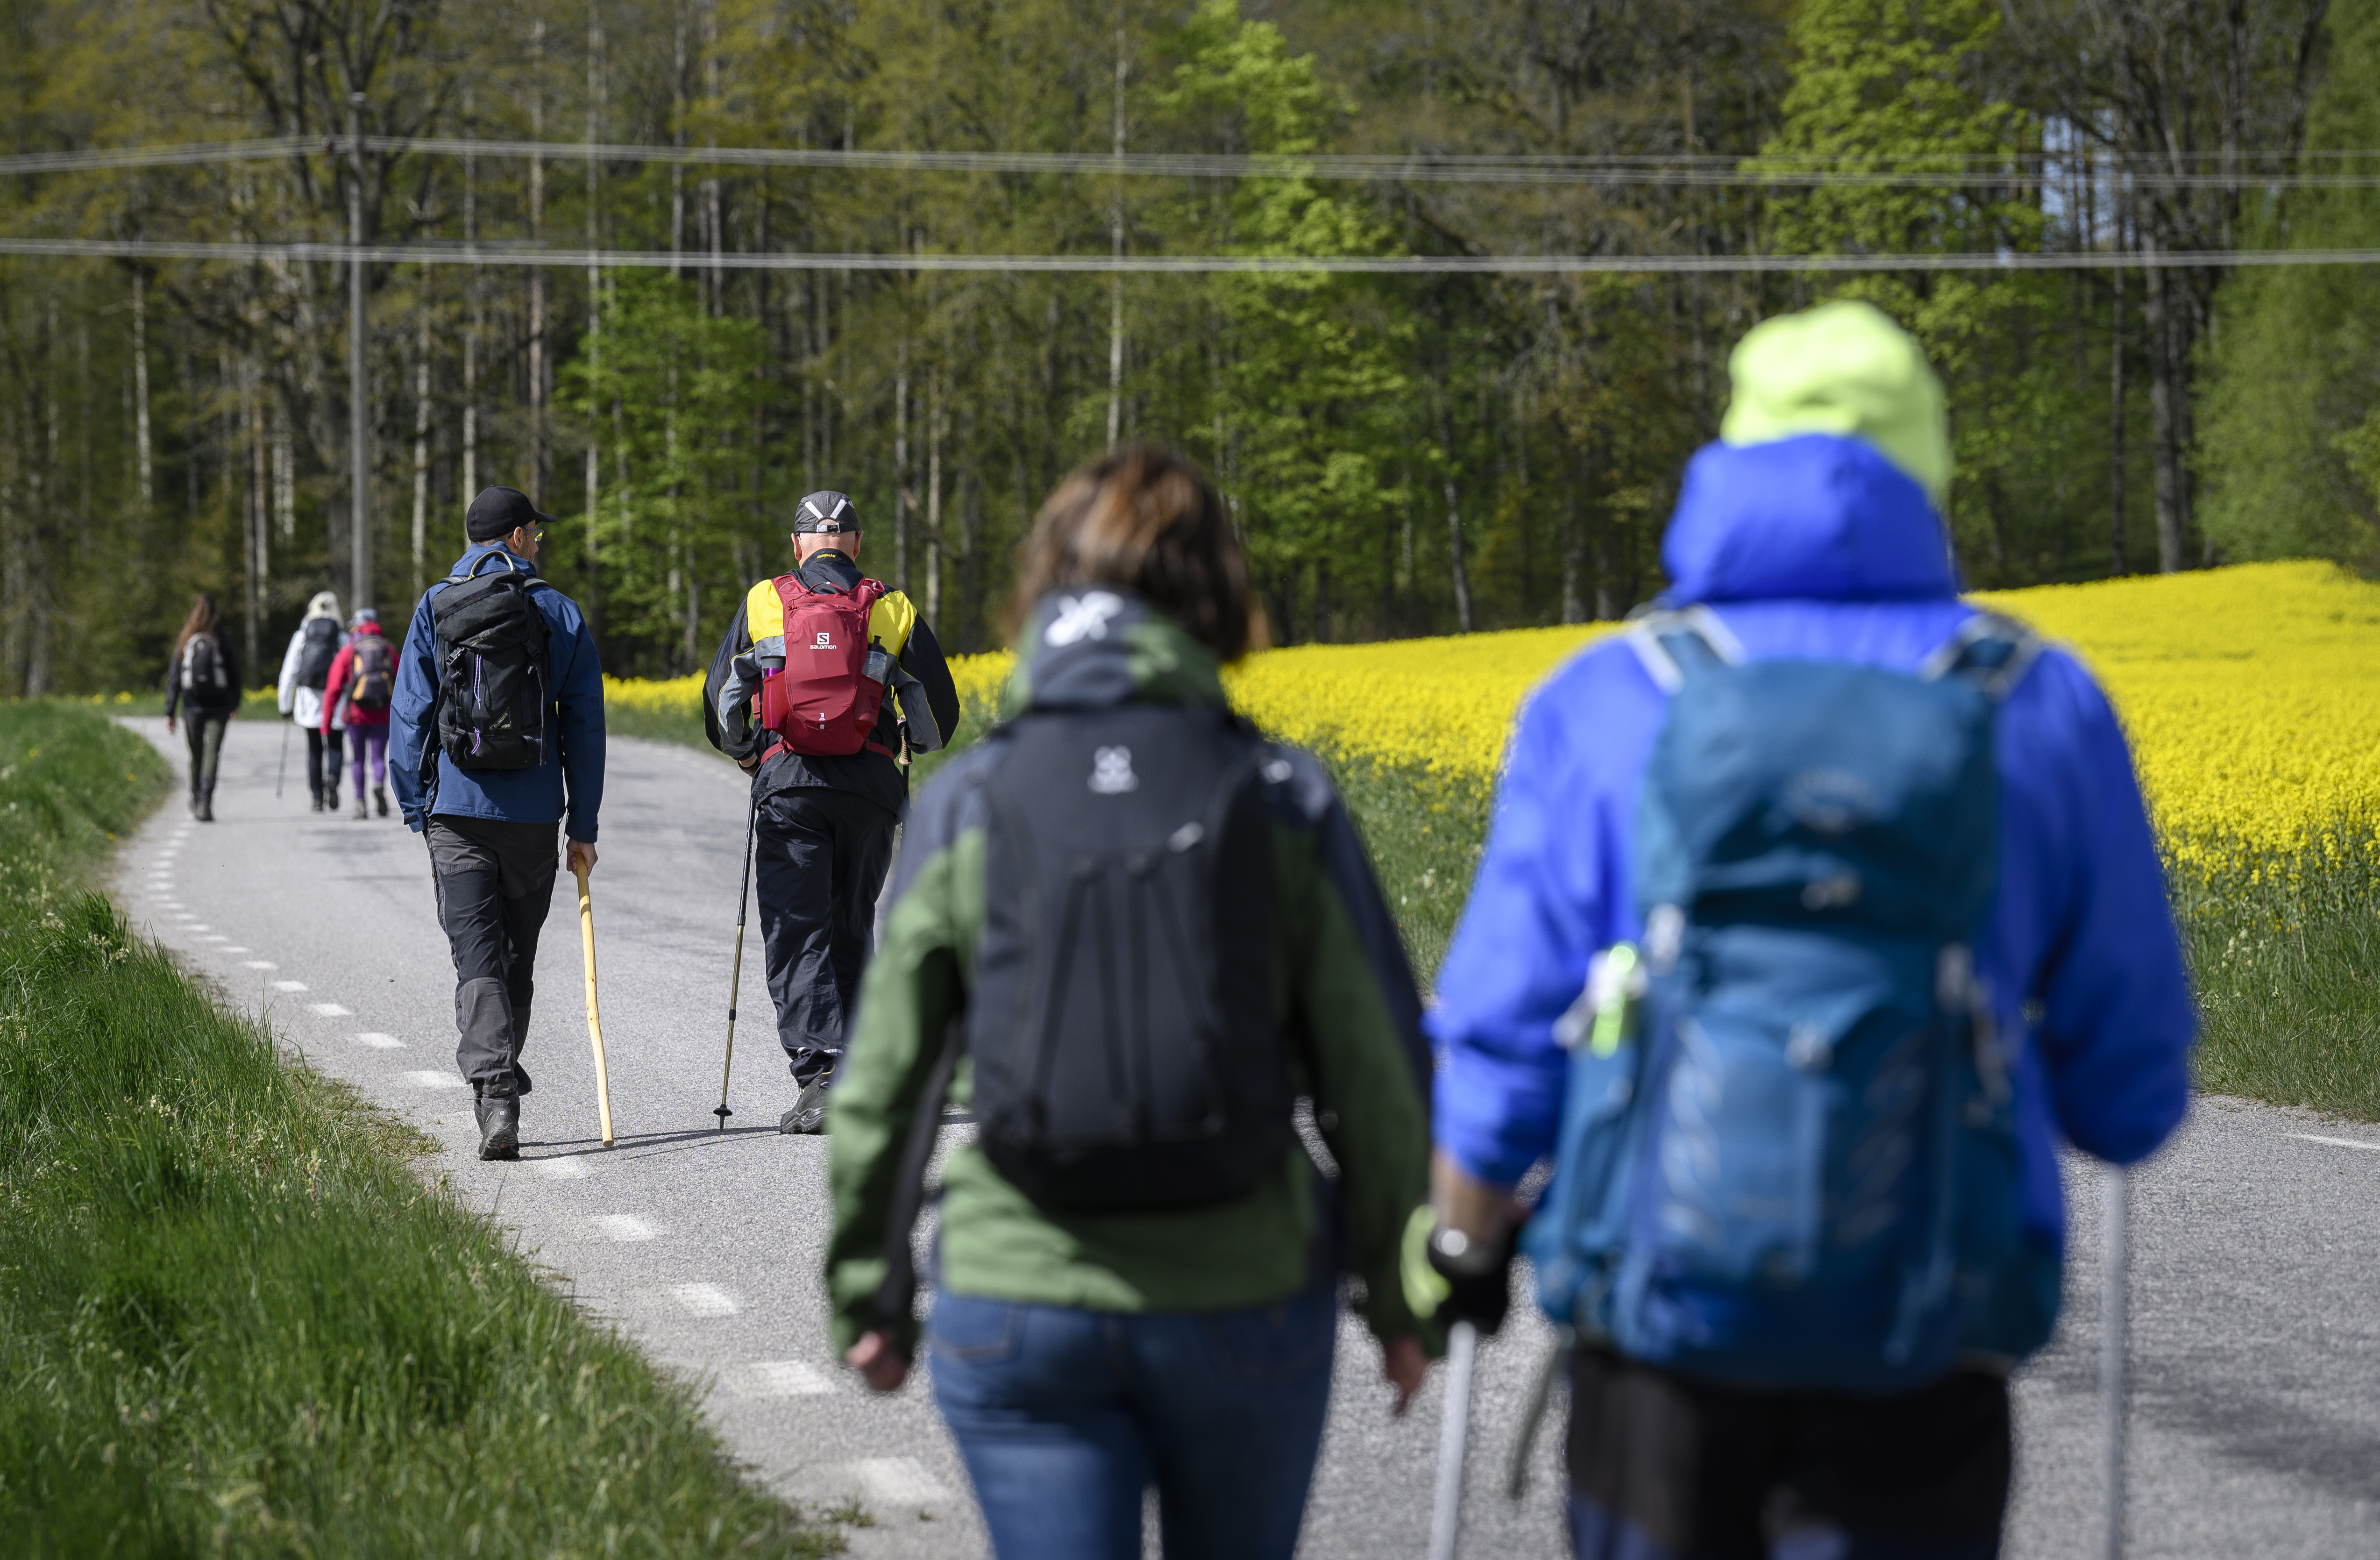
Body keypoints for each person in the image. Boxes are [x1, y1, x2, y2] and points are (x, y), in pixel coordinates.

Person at [1421, 301, 2194, 1560]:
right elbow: (2130, 1092)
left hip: (1653, 1331)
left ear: (1723, 459)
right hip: (1925, 1332)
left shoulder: (1610, 696)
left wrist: (1460, 1235)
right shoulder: (2037, 697)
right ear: (1930, 471)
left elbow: (1503, 1040)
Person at [826, 444, 1434, 1560]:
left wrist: (869, 1287)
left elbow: (884, 1076)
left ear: (1047, 587)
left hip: (1019, 1301)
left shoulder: (968, 795)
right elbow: (1378, 1065)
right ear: (1217, 595)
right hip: (1244, 1295)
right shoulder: (1280, 789)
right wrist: (1403, 1298)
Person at [702, 489, 960, 1134]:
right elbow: (939, 720)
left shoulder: (766, 599)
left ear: (797, 546)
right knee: (851, 921)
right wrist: (906, 739)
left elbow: (719, 703)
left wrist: (747, 751)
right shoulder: (891, 605)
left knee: (798, 930)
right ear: (856, 543)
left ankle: (821, 1075)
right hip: (871, 789)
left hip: (789, 783)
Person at [388, 486, 606, 1162]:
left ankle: (495, 1093)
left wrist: (416, 804)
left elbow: (410, 715)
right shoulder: (558, 612)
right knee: (516, 954)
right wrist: (583, 821)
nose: (539, 543)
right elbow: (585, 727)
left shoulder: (435, 605)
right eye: (535, 534)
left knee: (476, 955)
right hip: (534, 818)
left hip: (456, 814)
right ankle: (501, 1067)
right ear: (515, 537)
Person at [163, 592, 242, 823]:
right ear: (216, 614)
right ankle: (206, 802)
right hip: (219, 707)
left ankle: (196, 796)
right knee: (212, 753)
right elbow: (235, 674)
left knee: (196, 754)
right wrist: (234, 703)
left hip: (192, 707)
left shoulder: (186, 638)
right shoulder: (223, 639)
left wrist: (170, 711)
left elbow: (174, 677)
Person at [322, 608, 397, 819]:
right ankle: (379, 784)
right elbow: (403, 682)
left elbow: (334, 689)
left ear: (358, 626)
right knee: (378, 758)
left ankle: (360, 804)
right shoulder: (388, 649)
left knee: (358, 759)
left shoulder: (349, 650)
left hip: (356, 715)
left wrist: (326, 724)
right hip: (383, 714)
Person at [277, 591, 348, 813]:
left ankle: (317, 798)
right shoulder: (341, 637)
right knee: (336, 746)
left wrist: (285, 705)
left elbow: (289, 672)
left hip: (308, 701)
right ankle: (333, 778)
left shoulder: (302, 635)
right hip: (336, 701)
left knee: (314, 750)